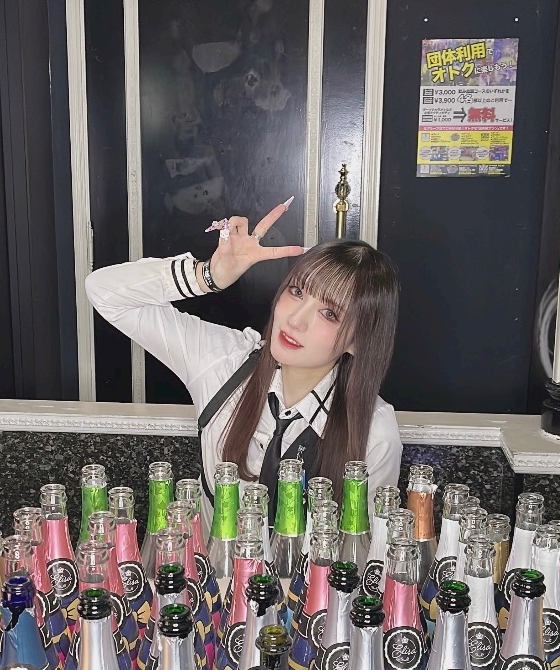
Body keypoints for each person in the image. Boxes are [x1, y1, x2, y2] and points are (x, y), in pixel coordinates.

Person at [85, 200, 402, 527]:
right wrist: (208, 275)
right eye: (296, 292)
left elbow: (366, 548)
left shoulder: (373, 432)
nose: (295, 320)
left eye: (329, 313)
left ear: (358, 340)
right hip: (208, 560)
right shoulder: (225, 362)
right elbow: (104, 291)